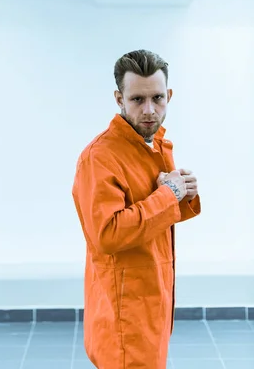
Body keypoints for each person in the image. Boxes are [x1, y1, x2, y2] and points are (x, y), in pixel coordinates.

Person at [72, 49, 201, 369]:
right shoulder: (101, 157)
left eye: (157, 98)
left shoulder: (154, 145)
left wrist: (182, 194)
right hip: (124, 314)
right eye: (137, 99)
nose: (149, 110)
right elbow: (110, 234)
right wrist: (169, 194)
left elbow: (151, 216)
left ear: (169, 95)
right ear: (119, 99)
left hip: (153, 302)